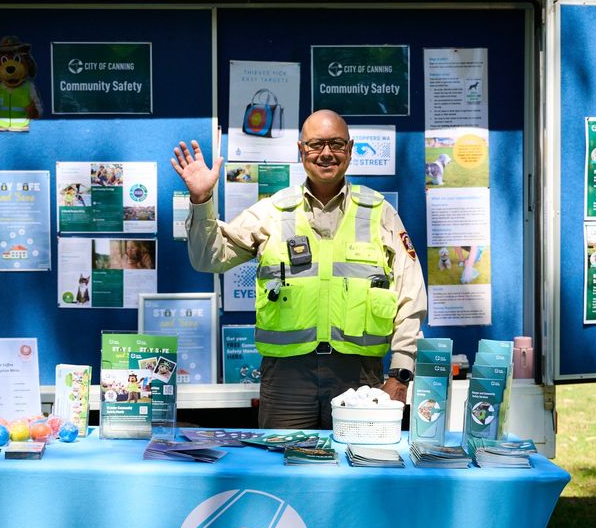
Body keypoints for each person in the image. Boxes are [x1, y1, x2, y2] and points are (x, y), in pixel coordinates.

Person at [171, 109, 427, 429]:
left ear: (349, 149)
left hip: (360, 376)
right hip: (286, 380)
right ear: (301, 150)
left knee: (358, 471)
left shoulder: (380, 214)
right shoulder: (273, 211)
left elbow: (411, 295)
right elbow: (208, 258)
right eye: (315, 144)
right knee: (282, 472)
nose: (326, 153)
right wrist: (201, 199)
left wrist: (400, 375)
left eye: (336, 144)